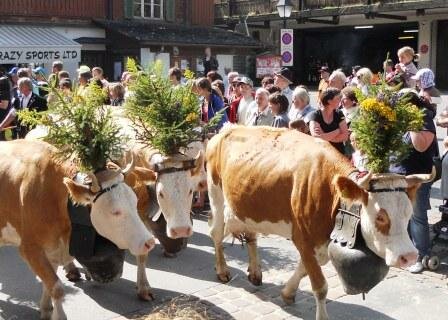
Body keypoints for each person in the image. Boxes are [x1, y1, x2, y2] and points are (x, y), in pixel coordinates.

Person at [389, 91, 437, 273]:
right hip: (398, 174)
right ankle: (405, 251)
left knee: (417, 216)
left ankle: (421, 254)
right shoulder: (400, 118)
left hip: (417, 176)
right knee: (402, 216)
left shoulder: (423, 117)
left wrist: (411, 121)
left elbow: (420, 145)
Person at [309, 87, 349, 154]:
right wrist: (338, 131)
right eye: (338, 98)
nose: (340, 100)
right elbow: (316, 137)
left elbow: (345, 136)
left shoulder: (339, 113)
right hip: (322, 153)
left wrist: (325, 136)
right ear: (329, 101)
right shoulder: (315, 115)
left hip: (338, 153)